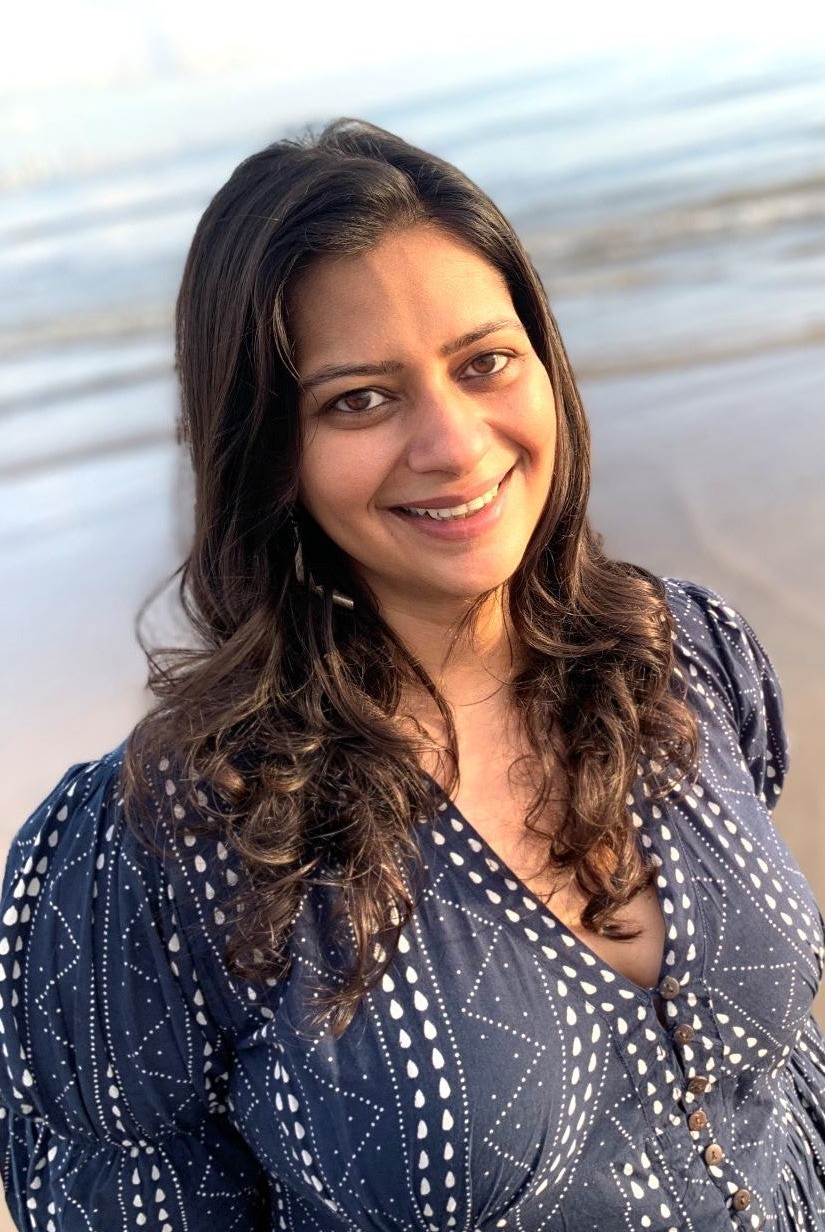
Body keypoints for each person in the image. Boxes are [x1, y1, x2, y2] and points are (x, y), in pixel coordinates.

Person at [0, 118, 823, 1232]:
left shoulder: (681, 653)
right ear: (267, 450)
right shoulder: (158, 849)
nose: (452, 440)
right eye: (360, 399)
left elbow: (771, 1087)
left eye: (484, 362)